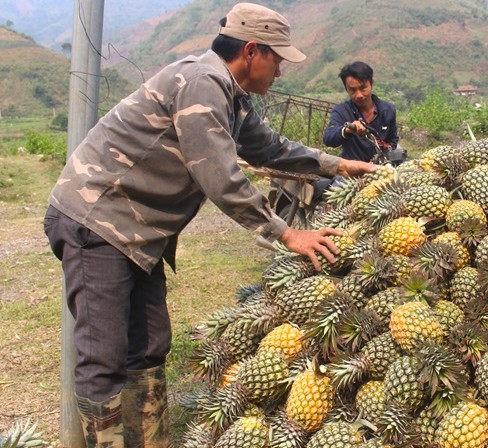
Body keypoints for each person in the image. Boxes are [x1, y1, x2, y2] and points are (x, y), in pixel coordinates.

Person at [43, 3, 373, 446]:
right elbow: (219, 174)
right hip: (98, 222)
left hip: (137, 236)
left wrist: (337, 165)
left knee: (148, 348)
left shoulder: (232, 96)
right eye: (277, 59)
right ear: (252, 51)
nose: (280, 72)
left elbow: (268, 148)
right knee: (104, 359)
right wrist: (287, 232)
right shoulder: (202, 82)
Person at [323, 61, 400, 163]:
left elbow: (392, 139)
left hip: (380, 171)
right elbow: (328, 138)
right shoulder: (341, 111)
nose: (359, 95)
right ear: (346, 89)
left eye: (363, 88)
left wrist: (386, 151)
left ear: (371, 84)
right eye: (352, 90)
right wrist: (347, 130)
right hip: (351, 172)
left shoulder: (388, 110)